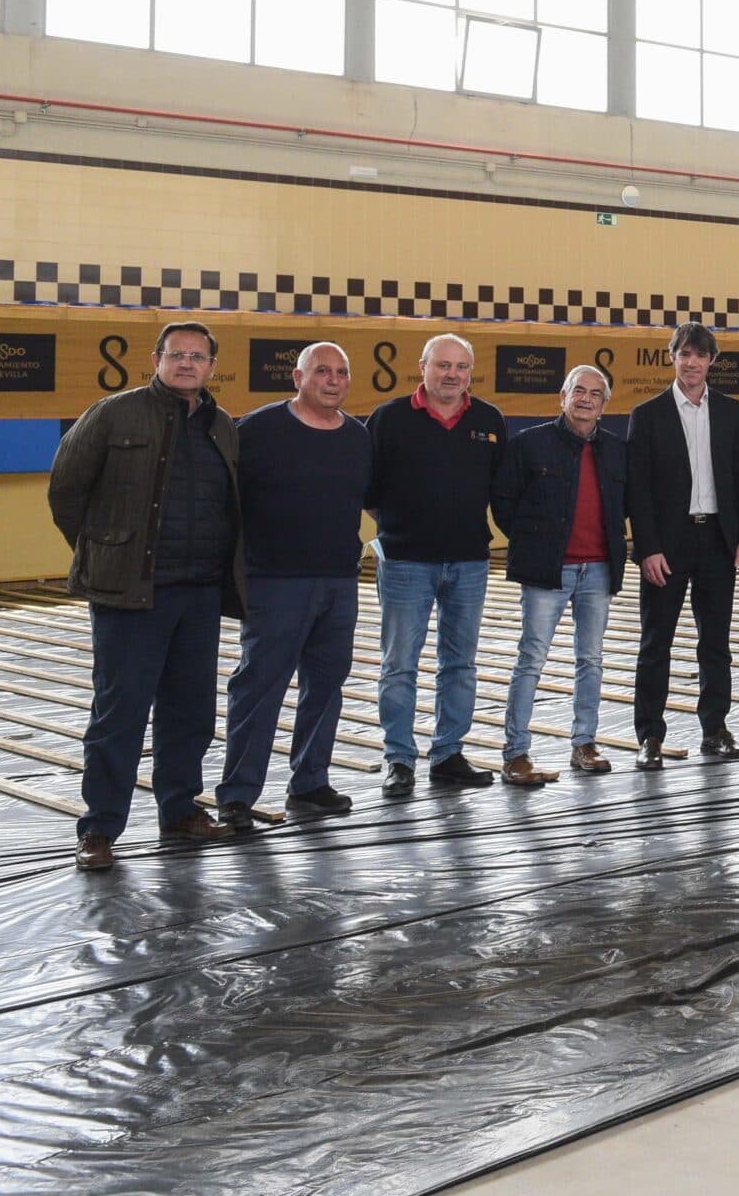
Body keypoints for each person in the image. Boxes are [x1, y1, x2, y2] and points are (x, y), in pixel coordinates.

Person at [48, 321, 244, 870]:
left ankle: (179, 808)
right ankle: (100, 828)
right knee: (120, 712)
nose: (187, 364)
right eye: (176, 354)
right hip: (130, 594)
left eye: (198, 356)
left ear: (211, 366)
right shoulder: (114, 414)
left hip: (200, 593)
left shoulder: (223, 427)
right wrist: (108, 550)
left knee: (191, 711)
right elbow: (67, 490)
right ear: (155, 359)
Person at [215, 343, 373, 827]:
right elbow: (224, 500)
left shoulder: (357, 437)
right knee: (259, 687)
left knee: (326, 685)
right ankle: (238, 795)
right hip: (275, 583)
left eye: (342, 372)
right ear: (296, 377)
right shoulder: (257, 430)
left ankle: (310, 782)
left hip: (339, 583)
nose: (333, 380)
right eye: (322, 371)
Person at [367, 333, 507, 797]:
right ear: (423, 366)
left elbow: (500, 489)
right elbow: (368, 490)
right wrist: (400, 526)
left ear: (470, 373)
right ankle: (398, 758)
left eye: (461, 367)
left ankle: (448, 753)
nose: (452, 374)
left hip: (469, 561)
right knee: (399, 664)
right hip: (406, 561)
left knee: (460, 664)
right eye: (443, 365)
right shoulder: (389, 418)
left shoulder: (489, 420)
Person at [626, 323, 739, 768]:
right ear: (672, 357)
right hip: (667, 545)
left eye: (700, 356)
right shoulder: (647, 414)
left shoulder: (729, 410)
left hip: (718, 541)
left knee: (716, 642)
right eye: (684, 354)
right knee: (656, 642)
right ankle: (650, 736)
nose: (692, 363)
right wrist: (647, 548)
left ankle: (715, 730)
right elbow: (638, 491)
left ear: (712, 361)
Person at [490, 365, 626, 785]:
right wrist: (537, 545)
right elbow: (504, 504)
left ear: (605, 405)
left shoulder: (617, 450)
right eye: (578, 391)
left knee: (592, 659)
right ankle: (516, 753)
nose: (586, 399)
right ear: (562, 398)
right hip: (548, 570)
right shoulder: (529, 444)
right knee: (531, 658)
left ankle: (584, 743)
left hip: (599, 568)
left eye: (596, 394)